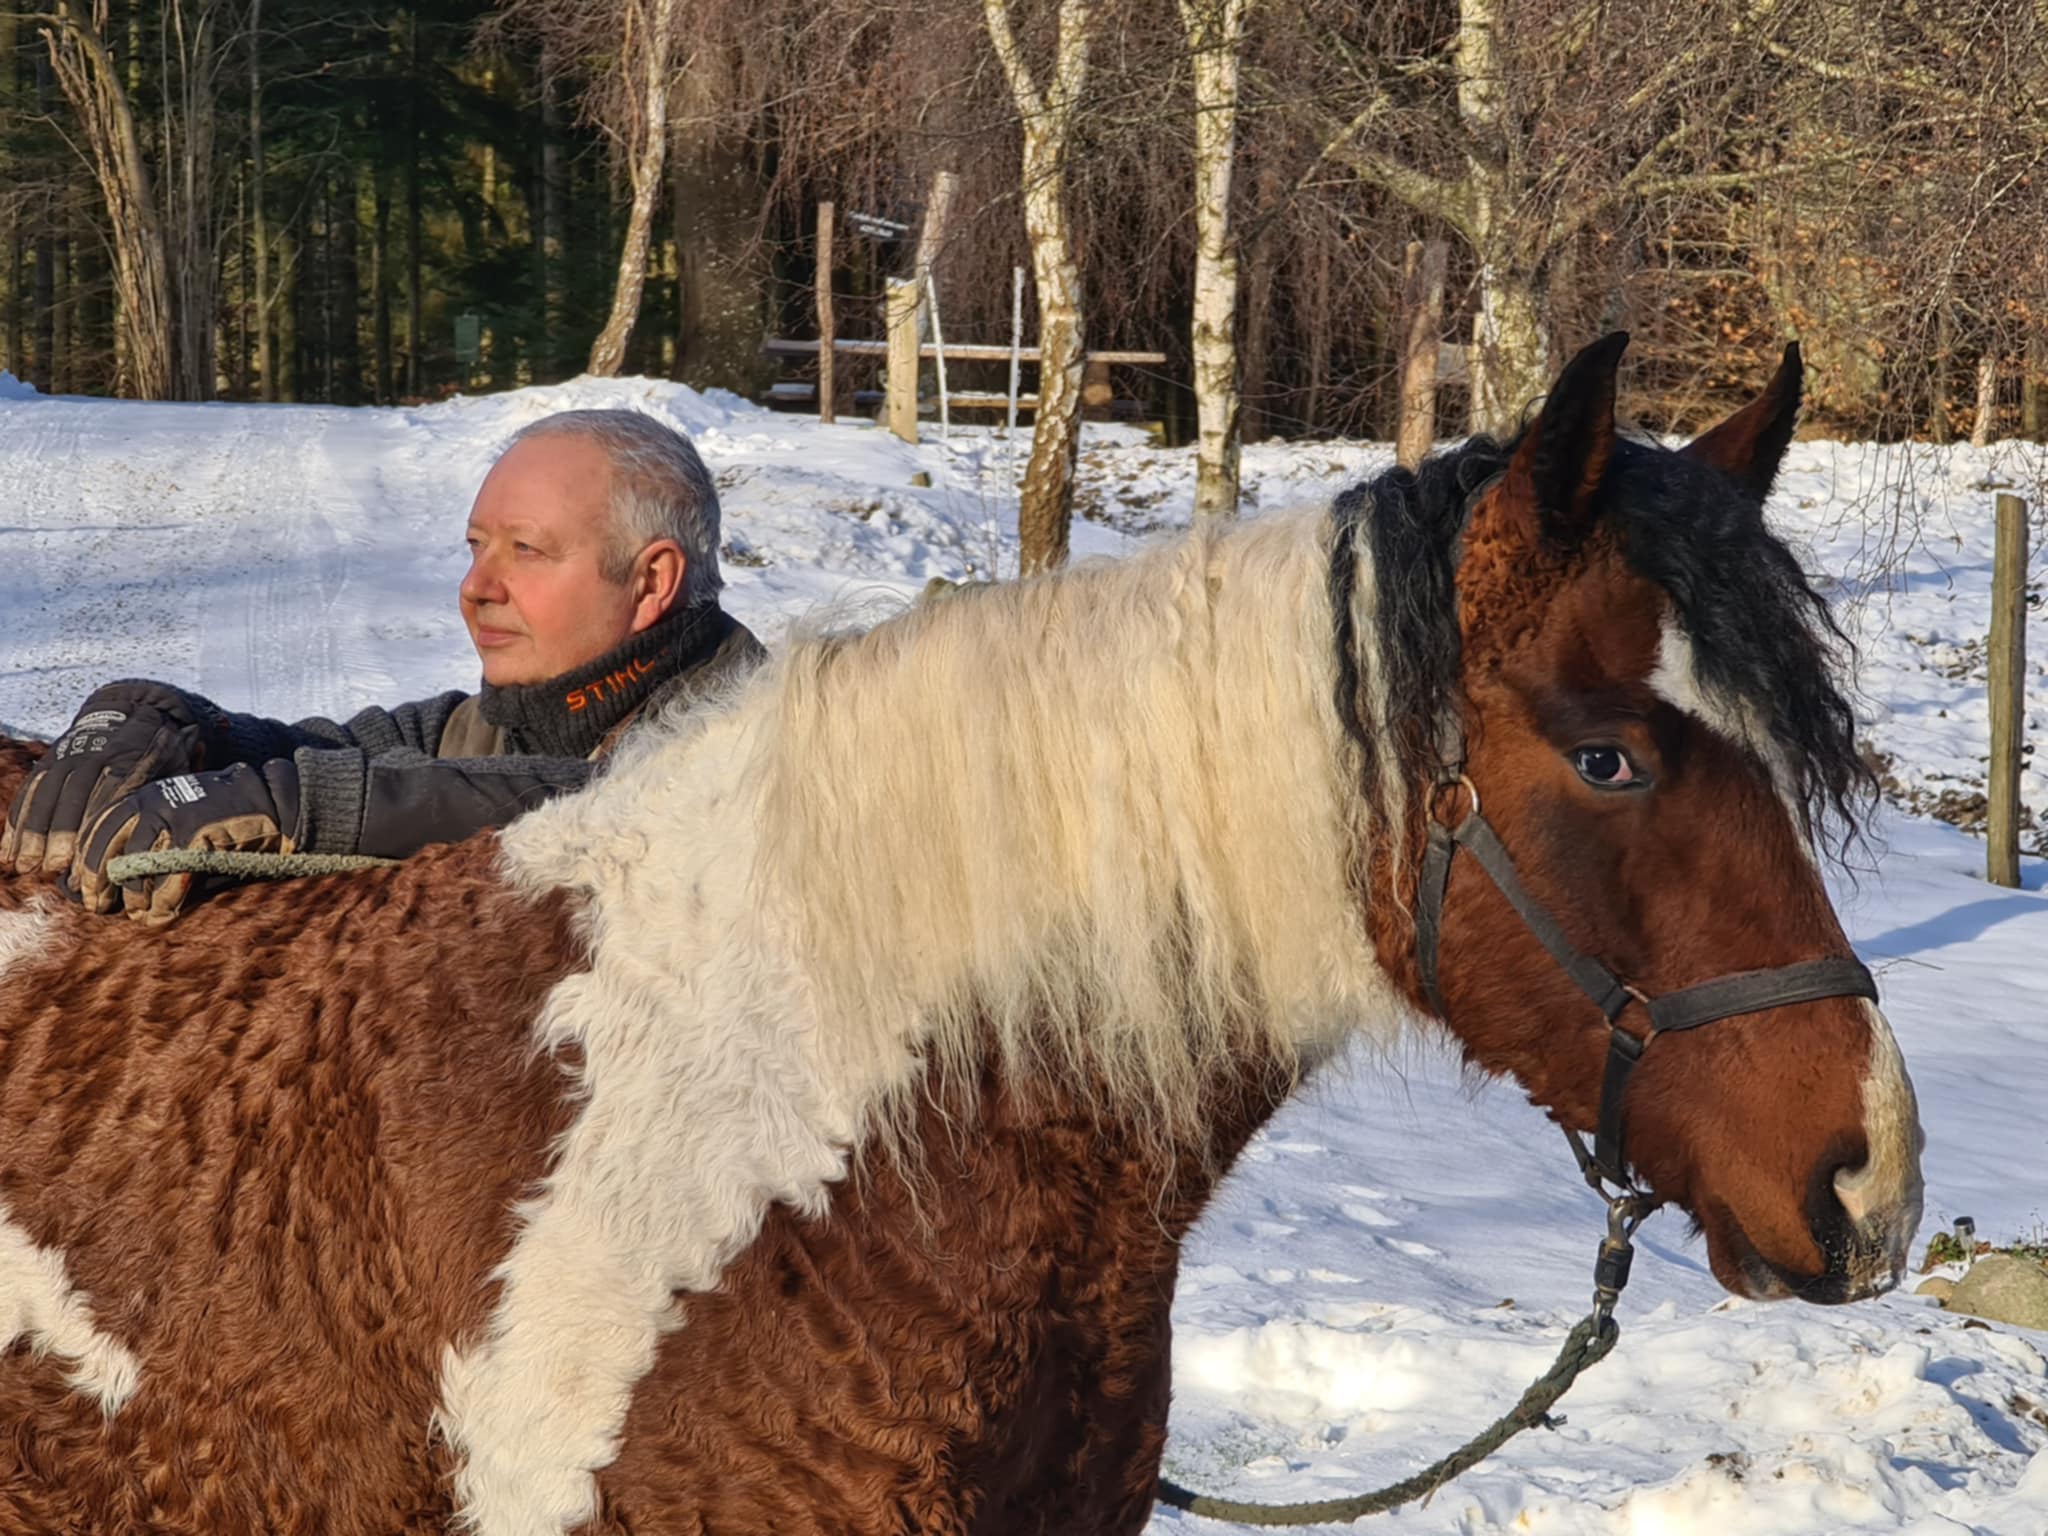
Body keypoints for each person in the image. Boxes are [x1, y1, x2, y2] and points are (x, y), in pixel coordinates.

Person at [0, 408, 763, 925]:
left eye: (525, 551)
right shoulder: (491, 723)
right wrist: (155, 714)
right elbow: (320, 755)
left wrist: (319, 807)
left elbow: (641, 801)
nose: (476, 589)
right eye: (476, 548)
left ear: (651, 581)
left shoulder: (771, 747)